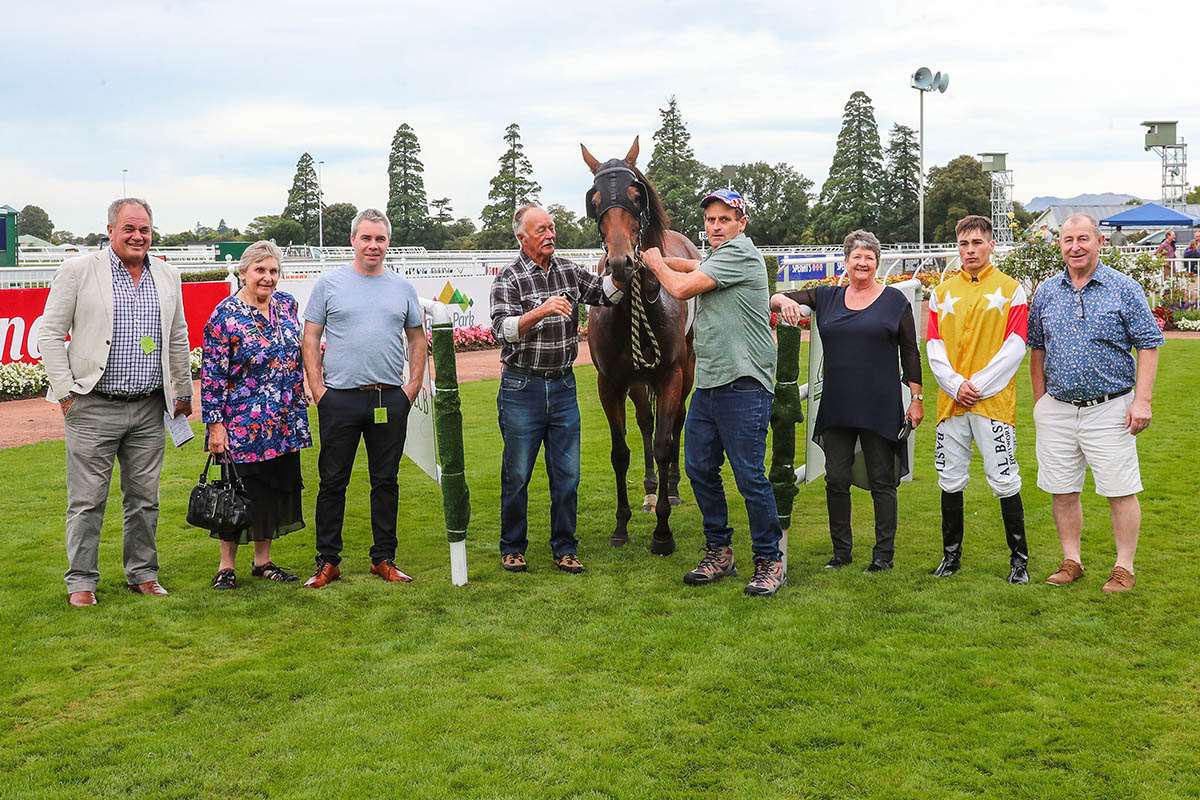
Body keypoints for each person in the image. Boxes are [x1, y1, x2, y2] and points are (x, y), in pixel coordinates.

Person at [38, 198, 192, 606]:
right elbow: (49, 335)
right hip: (91, 406)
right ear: (110, 230)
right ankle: (81, 582)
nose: (137, 236)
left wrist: (182, 392)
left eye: (144, 229)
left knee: (145, 499)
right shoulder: (78, 271)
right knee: (87, 500)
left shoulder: (168, 274)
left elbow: (177, 337)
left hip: (147, 409)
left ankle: (142, 573)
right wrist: (67, 394)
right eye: (129, 229)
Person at [642, 188, 786, 596]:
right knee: (698, 469)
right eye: (710, 220)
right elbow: (690, 262)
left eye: (724, 219)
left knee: (749, 477)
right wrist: (649, 257)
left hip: (744, 384)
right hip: (709, 384)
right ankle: (720, 550)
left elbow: (683, 287)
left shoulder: (740, 253)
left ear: (741, 223)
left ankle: (769, 559)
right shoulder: (719, 257)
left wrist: (653, 261)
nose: (716, 226)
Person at [770, 230, 923, 574]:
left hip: (879, 405)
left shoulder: (895, 302)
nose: (863, 263)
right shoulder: (826, 297)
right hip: (838, 404)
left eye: (869, 257)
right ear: (846, 261)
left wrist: (916, 398)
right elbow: (779, 298)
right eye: (857, 257)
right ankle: (841, 552)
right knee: (835, 479)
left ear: (876, 262)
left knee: (882, 481)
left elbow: (910, 352)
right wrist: (781, 301)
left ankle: (883, 555)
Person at [1028, 213, 1163, 593]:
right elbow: (1036, 348)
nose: (1075, 246)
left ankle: (1124, 567)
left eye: (1083, 238)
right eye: (1068, 239)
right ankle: (1072, 560)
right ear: (1060, 245)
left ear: (1099, 242)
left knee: (1120, 490)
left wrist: (1143, 400)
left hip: (1111, 408)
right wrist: (1040, 402)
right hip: (1058, 407)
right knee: (1063, 489)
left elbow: (1149, 344)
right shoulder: (1047, 293)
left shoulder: (1123, 288)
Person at [489, 205, 624, 574]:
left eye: (552, 228)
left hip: (563, 386)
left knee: (568, 475)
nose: (550, 235)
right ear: (522, 237)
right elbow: (500, 330)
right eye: (541, 230)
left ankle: (565, 547)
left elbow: (605, 294)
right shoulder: (509, 278)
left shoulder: (568, 270)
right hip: (522, 387)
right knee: (517, 474)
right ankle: (513, 547)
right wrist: (542, 310)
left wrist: (626, 266)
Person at [301, 208, 427, 589]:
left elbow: (417, 339)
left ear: (388, 243)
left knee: (386, 481)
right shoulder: (329, 285)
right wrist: (319, 389)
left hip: (389, 398)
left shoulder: (402, 288)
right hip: (339, 399)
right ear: (352, 241)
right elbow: (310, 337)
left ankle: (383, 558)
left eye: (380, 239)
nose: (373, 245)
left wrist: (412, 388)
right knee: (332, 482)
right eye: (366, 238)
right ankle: (328, 561)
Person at [201, 241, 312, 590]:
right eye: (260, 270)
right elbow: (213, 375)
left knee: (275, 489)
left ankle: (263, 561)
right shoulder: (225, 315)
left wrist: (305, 383)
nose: (267, 278)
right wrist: (215, 426)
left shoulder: (286, 305)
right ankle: (226, 566)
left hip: (283, 420)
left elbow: (297, 353)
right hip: (242, 424)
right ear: (244, 272)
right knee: (237, 492)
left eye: (273, 271)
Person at [925, 215, 1030, 584]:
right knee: (950, 479)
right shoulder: (942, 292)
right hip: (952, 404)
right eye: (964, 244)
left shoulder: (1011, 289)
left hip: (992, 402)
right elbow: (934, 346)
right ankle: (950, 558)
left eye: (977, 243)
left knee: (1004, 478)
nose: (970, 251)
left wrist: (977, 385)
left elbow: (1015, 345)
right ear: (958, 247)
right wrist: (955, 385)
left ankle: (1019, 561)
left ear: (990, 245)